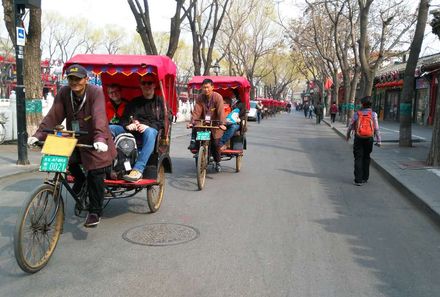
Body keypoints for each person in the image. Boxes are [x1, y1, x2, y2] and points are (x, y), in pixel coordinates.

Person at [27, 64, 117, 227]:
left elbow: (99, 116)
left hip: (97, 141)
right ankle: (80, 180)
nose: (74, 82)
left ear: (86, 80)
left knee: (96, 172)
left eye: (78, 79)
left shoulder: (95, 92)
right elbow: (54, 115)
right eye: (71, 79)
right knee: (69, 162)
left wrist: (99, 138)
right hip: (76, 138)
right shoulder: (64, 92)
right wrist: (39, 134)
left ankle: (95, 211)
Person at [111, 73, 165, 182]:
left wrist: (147, 126)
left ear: (154, 85)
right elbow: (124, 119)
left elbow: (163, 122)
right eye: (143, 83)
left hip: (149, 132)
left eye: (149, 83)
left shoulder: (160, 102)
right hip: (132, 132)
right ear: (140, 85)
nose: (146, 85)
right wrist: (129, 124)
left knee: (150, 132)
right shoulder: (134, 102)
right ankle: (107, 165)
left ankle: (138, 169)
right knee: (110, 128)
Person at [187, 78, 226, 172]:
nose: (206, 90)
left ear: (212, 87)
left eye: (208, 87)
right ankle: (198, 150)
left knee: (215, 143)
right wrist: (192, 122)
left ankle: (217, 162)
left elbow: (221, 111)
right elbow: (197, 111)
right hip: (204, 123)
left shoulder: (218, 97)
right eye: (204, 88)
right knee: (198, 135)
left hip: (216, 124)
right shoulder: (200, 97)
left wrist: (222, 124)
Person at [346, 96, 381, 186]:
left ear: (362, 104)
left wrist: (348, 135)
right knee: (366, 157)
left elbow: (351, 125)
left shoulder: (357, 114)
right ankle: (365, 178)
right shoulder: (374, 114)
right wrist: (379, 140)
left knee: (358, 157)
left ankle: (358, 180)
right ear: (371, 104)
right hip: (369, 138)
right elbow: (376, 128)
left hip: (358, 137)